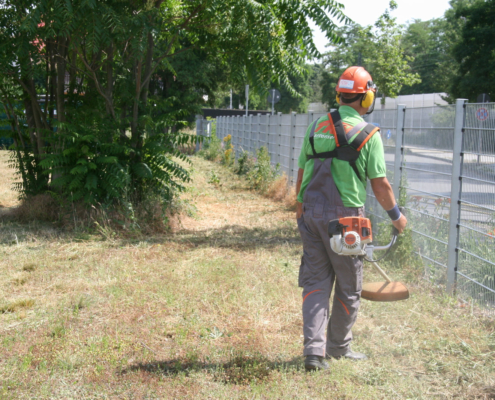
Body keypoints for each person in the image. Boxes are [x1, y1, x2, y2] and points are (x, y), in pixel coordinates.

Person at [295, 66, 407, 371]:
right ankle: (338, 348)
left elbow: (303, 169)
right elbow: (380, 185)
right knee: (348, 285)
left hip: (310, 213)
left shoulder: (317, 125)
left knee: (316, 282)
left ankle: (313, 354)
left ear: (339, 95)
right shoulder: (368, 134)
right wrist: (397, 217)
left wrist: (299, 204)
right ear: (367, 97)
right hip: (346, 220)